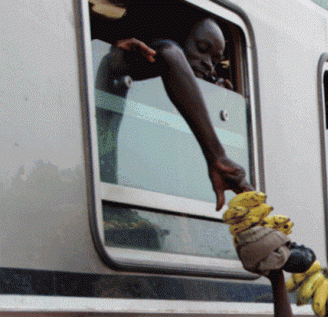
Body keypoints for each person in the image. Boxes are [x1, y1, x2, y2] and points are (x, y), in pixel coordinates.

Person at [94, 4, 250, 210]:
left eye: (215, 60)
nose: (209, 64)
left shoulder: (172, 102)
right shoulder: (121, 63)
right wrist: (218, 157)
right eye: (202, 49)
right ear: (180, 36)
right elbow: (169, 53)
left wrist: (213, 101)